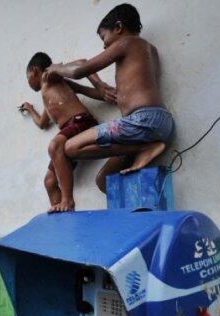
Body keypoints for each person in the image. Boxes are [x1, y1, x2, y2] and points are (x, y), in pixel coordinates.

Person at [46, 3, 174, 193]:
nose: (104, 45)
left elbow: (80, 70)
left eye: (104, 37)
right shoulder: (149, 51)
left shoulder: (126, 43)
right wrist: (80, 89)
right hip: (161, 122)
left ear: (119, 27)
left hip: (141, 121)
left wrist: (55, 68)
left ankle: (142, 149)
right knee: (104, 181)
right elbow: (118, 95)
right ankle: (134, 205)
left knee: (71, 148)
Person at [21, 52, 115, 212]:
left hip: (81, 121)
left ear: (35, 71)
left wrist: (100, 85)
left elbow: (82, 62)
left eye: (27, 76)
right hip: (70, 129)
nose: (28, 82)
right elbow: (43, 123)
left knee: (54, 146)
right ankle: (64, 220)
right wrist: (30, 110)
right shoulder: (49, 92)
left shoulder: (49, 76)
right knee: (50, 182)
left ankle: (67, 200)